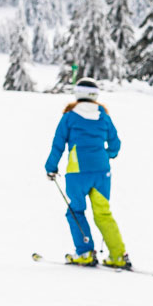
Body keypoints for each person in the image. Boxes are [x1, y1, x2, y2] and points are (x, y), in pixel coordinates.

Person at [43, 78, 130, 269]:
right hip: (101, 172)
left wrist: (51, 167)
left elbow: (58, 144)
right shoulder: (103, 116)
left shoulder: (69, 117)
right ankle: (118, 255)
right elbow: (115, 145)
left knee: (76, 210)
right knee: (103, 213)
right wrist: (106, 155)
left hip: (77, 172)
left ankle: (84, 251)